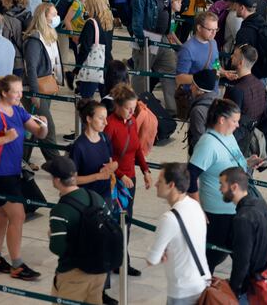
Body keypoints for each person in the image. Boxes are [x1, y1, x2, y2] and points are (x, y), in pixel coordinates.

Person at [0, 74, 48, 280]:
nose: (19, 95)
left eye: (20, 91)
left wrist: (42, 125)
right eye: (16, 92)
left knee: (1, 215)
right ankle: (17, 265)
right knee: (18, 215)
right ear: (5, 93)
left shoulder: (18, 110)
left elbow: (39, 134)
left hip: (12, 172)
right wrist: (5, 138)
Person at [188, 99, 262, 271]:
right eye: (234, 121)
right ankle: (204, 294)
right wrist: (197, 208)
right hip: (217, 213)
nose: (237, 125)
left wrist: (248, 162)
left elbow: (230, 162)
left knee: (243, 256)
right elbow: (190, 176)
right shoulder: (208, 144)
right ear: (222, 120)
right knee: (210, 259)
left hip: (236, 208)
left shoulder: (228, 136)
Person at [45, 155, 111, 304]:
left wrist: (51, 235)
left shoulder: (59, 211)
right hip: (99, 270)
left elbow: (57, 247)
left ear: (56, 180)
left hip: (74, 275)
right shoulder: (95, 198)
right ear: (74, 176)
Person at [146, 162, 211, 305]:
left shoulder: (169, 218)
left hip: (182, 291)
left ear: (171, 185)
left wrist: (159, 251)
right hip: (202, 282)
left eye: (160, 181)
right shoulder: (196, 206)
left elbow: (152, 259)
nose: (156, 184)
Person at [104, 84, 151, 275]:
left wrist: (145, 170)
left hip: (130, 180)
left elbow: (136, 147)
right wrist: (121, 175)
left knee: (126, 222)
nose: (132, 112)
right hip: (116, 182)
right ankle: (115, 260)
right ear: (117, 105)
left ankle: (122, 260)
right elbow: (105, 156)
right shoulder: (109, 125)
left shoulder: (130, 122)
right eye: (128, 108)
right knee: (116, 222)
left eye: (134, 109)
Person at [221, 166, 267, 302]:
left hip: (254, 287)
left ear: (234, 187)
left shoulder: (242, 218)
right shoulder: (259, 203)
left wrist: (234, 290)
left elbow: (242, 261)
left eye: (222, 185)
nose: (220, 189)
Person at [130, 0, 177, 114]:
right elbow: (136, 22)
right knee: (142, 74)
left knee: (170, 70)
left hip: (162, 37)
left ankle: (172, 108)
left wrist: (170, 31)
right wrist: (142, 41)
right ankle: (138, 107)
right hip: (147, 38)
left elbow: (169, 14)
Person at [22, 3, 63, 166]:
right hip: (35, 88)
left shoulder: (50, 36)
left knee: (35, 126)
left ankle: (22, 159)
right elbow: (30, 68)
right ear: (43, 17)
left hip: (46, 85)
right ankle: (57, 164)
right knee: (48, 127)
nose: (56, 17)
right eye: (53, 14)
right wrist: (34, 93)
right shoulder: (34, 40)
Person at [74, 0, 114, 100]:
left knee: (85, 100)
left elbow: (85, 48)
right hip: (107, 62)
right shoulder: (109, 20)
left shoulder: (91, 23)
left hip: (94, 65)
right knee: (107, 100)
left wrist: (77, 68)